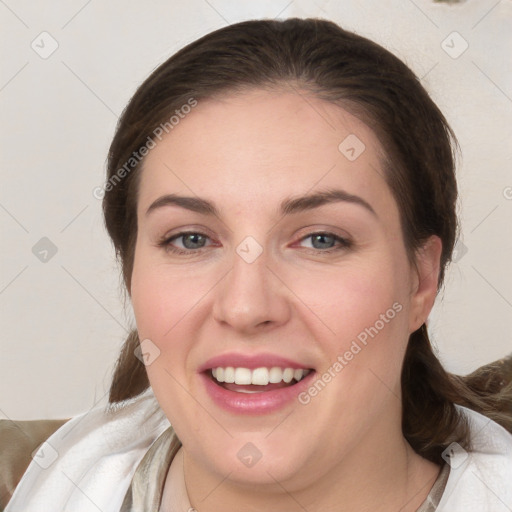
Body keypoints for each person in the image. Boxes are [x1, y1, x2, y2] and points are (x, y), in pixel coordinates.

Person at [2, 17, 512, 512]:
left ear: (421, 281)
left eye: (320, 240)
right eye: (191, 238)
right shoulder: (50, 480)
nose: (246, 307)